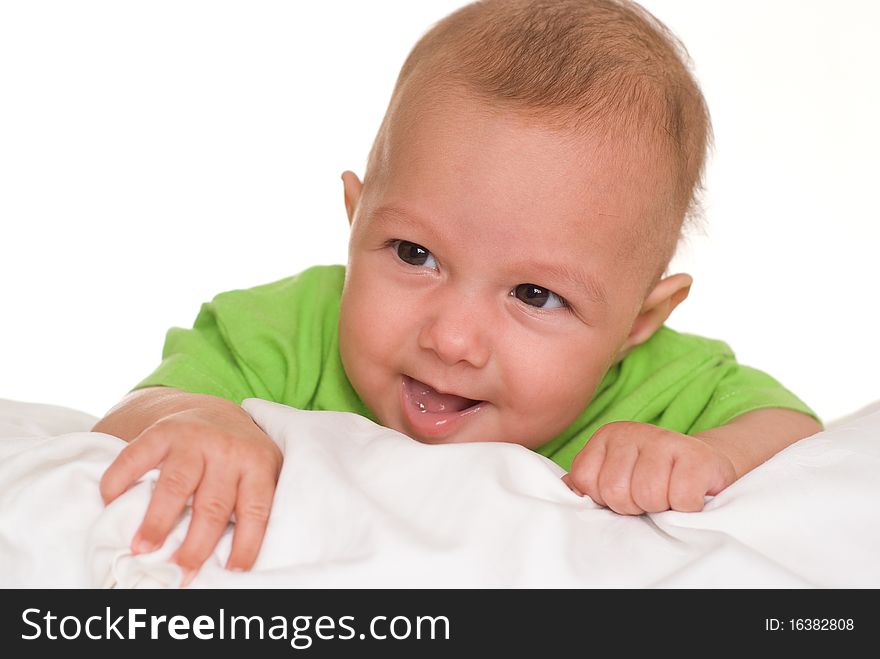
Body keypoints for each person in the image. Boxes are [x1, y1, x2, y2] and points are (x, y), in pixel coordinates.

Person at [92, 0, 822, 584]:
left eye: (535, 295)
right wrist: (204, 418)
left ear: (642, 319)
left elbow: (800, 438)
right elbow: (127, 417)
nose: (452, 338)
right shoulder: (278, 331)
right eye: (415, 254)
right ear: (356, 218)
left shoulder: (666, 383)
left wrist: (709, 456)